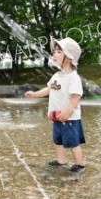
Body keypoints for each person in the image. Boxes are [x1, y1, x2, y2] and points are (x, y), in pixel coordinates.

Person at [25, 37, 86, 173]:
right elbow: (49, 89)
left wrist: (68, 112)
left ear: (69, 58)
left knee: (73, 142)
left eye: (59, 52)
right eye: (55, 51)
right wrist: (35, 94)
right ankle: (61, 160)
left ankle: (79, 164)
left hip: (69, 118)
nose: (54, 54)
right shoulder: (56, 76)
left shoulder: (73, 77)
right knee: (58, 140)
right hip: (56, 116)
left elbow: (76, 97)